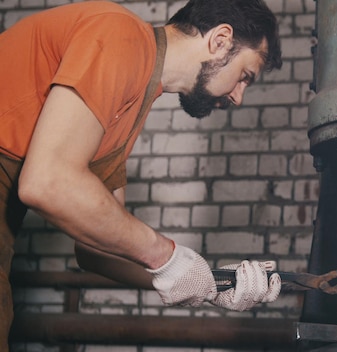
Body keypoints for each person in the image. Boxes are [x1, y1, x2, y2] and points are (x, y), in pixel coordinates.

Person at [0, 0, 283, 349]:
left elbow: (94, 250)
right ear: (221, 40)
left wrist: (209, 283)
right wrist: (166, 255)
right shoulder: (118, 33)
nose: (239, 97)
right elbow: (47, 182)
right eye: (245, 76)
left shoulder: (131, 104)